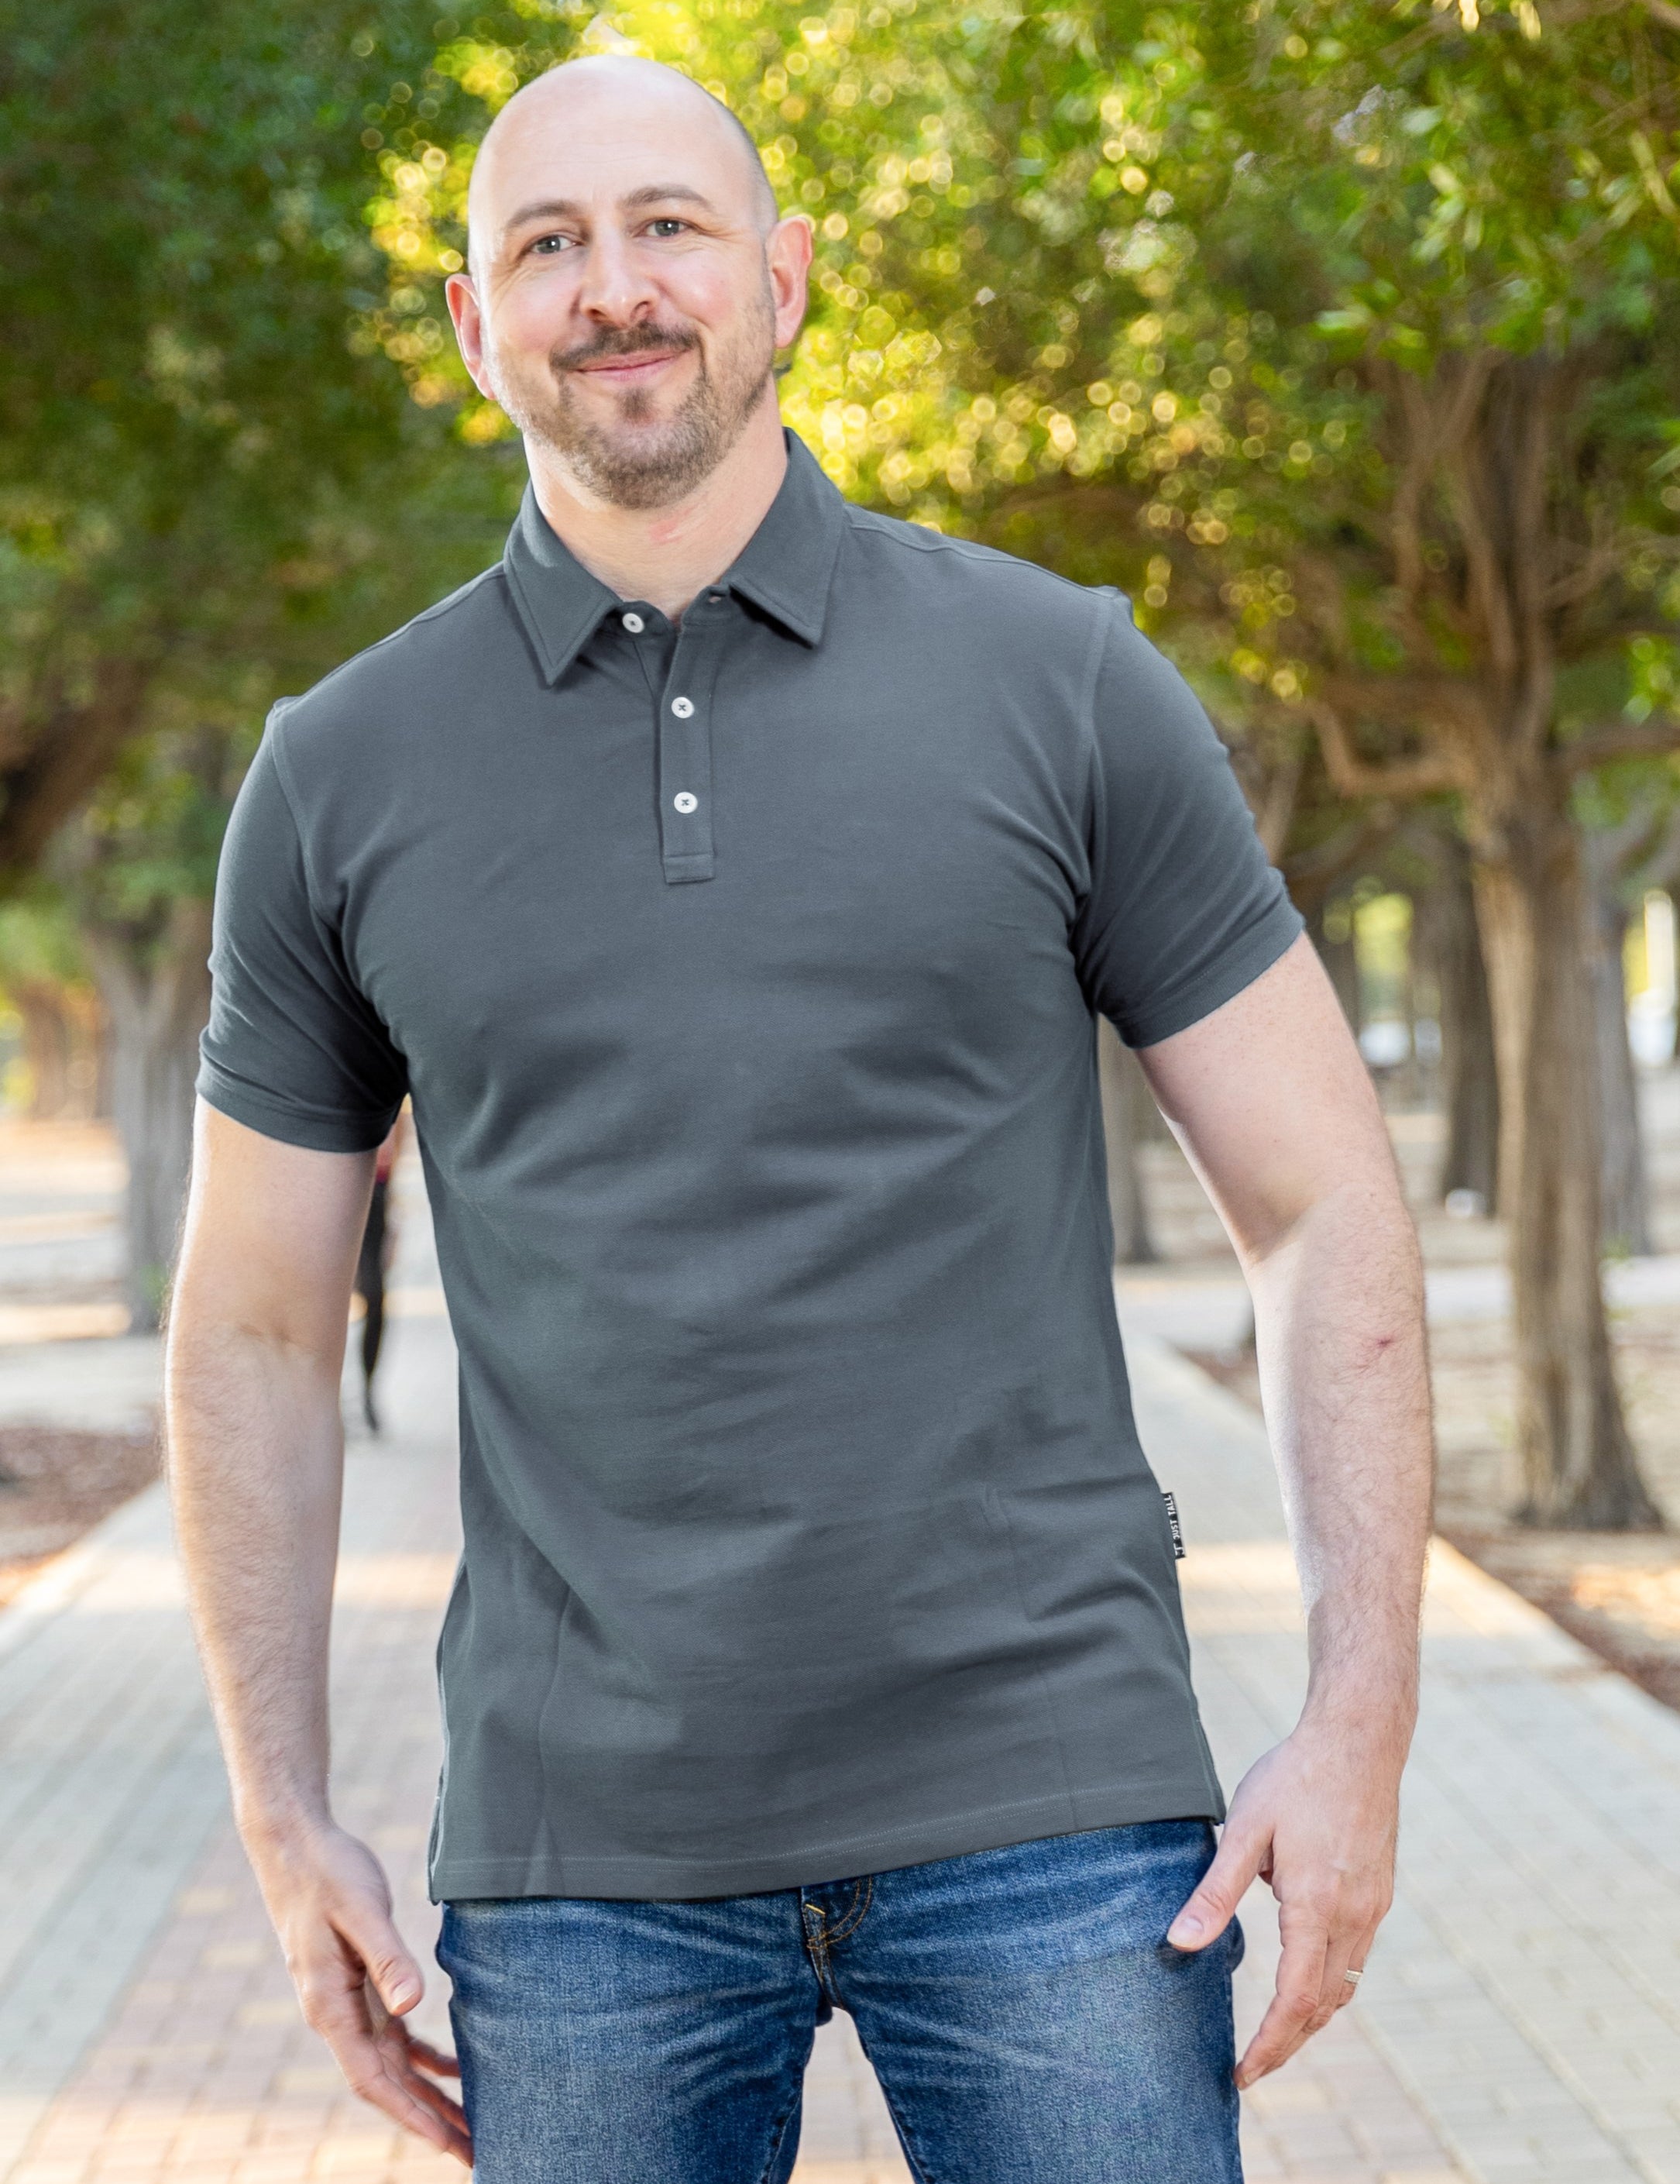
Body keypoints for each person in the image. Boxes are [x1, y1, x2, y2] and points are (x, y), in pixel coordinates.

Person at [165, 54, 1433, 2184]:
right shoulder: (339, 770)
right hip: (582, 1859)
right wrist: (280, 1817)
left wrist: (1362, 1710)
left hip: (1056, 1814)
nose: (615, 287)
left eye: (667, 225)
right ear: (477, 326)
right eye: (545, 247)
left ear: (786, 274)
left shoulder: (1061, 678)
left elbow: (1321, 1203)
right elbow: (259, 1330)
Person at [351, 1107, 406, 1434]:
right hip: (331, 1189)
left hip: (377, 1195)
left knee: (375, 1297)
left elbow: (395, 1149)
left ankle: (368, 1391)